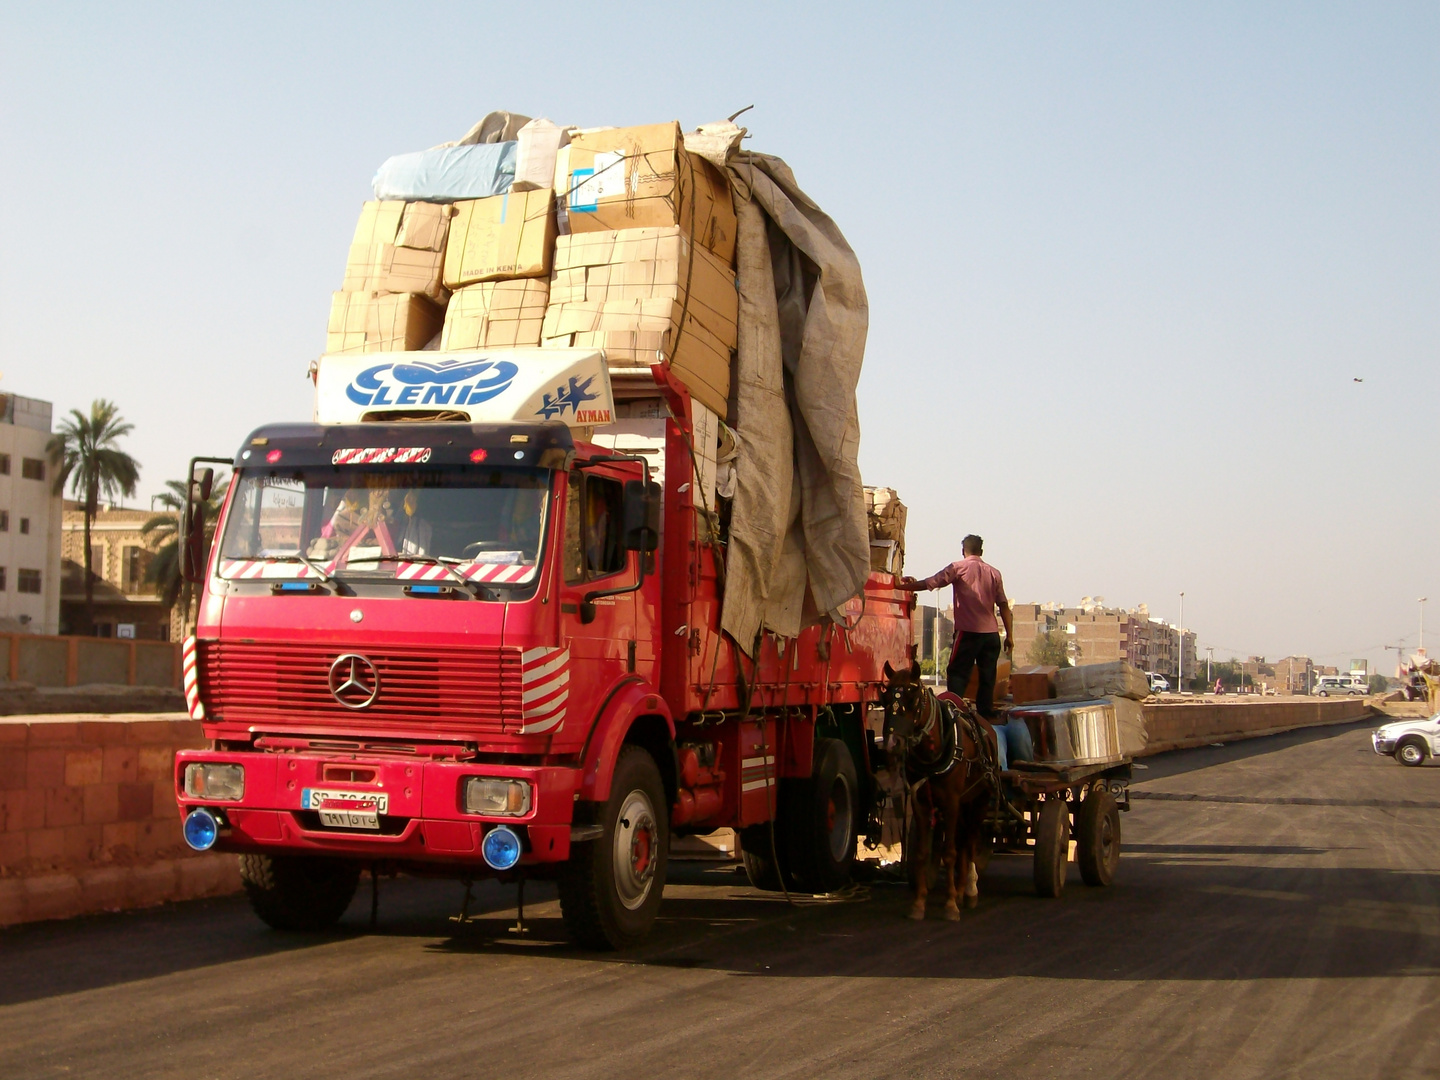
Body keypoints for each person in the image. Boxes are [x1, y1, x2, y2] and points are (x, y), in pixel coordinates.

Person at [900, 534, 1032, 769]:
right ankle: (985, 711)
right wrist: (1009, 636)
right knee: (987, 674)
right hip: (991, 634)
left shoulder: (958, 568)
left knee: (956, 671)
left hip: (968, 633)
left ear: (963, 550)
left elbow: (932, 582)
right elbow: (1004, 606)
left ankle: (955, 708)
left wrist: (905, 586)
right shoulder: (994, 572)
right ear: (981, 551)